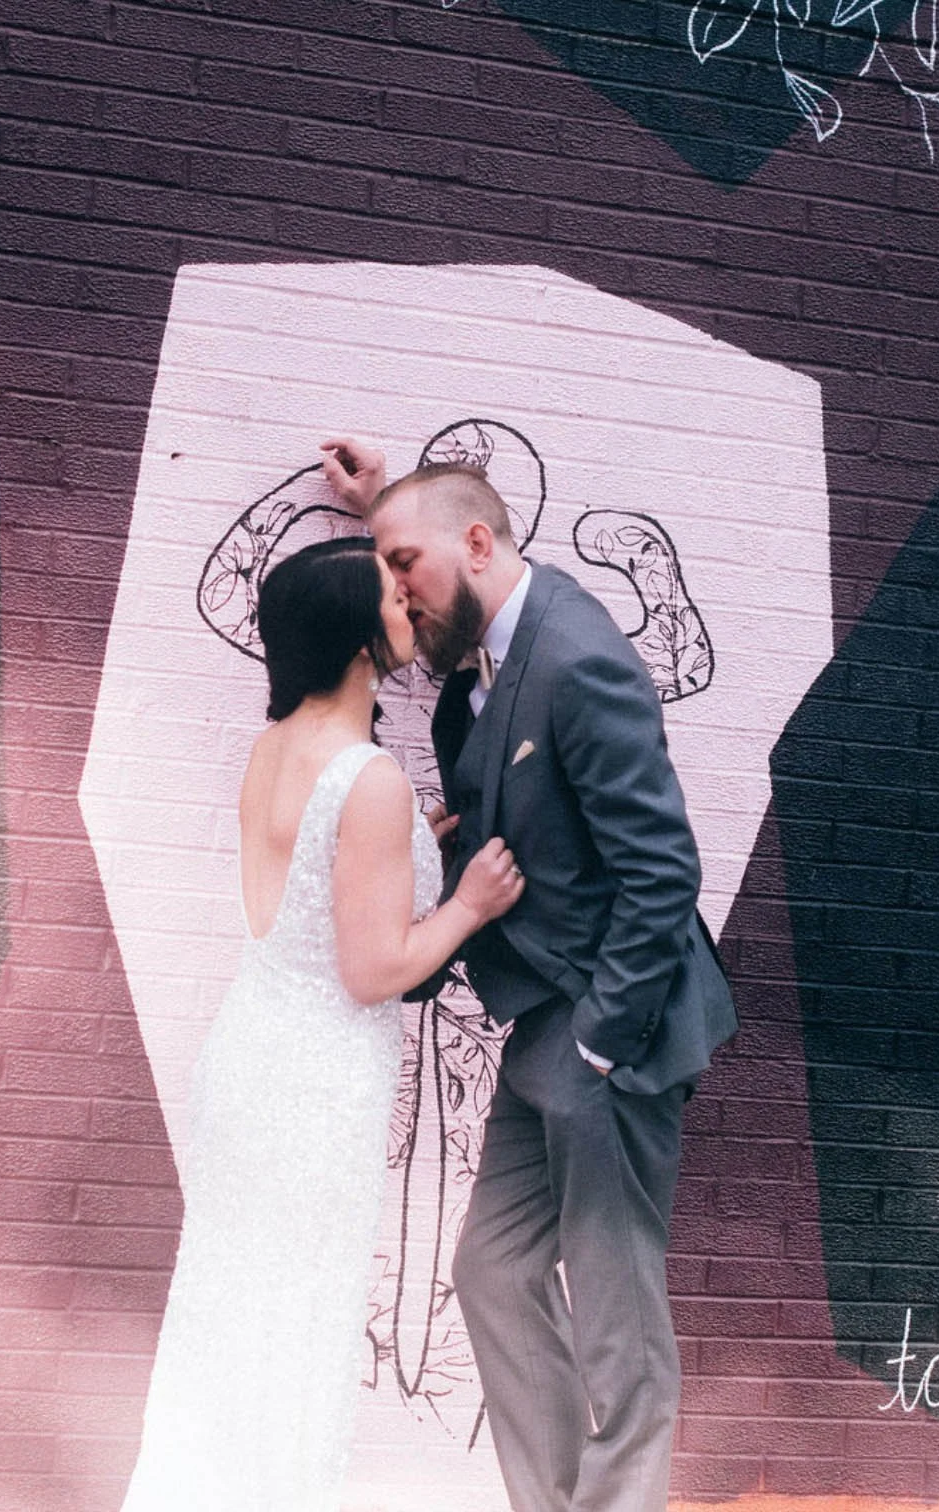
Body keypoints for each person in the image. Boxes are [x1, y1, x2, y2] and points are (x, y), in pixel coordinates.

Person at [321, 438, 738, 1512]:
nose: (397, 592)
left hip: (611, 1031)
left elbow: (663, 870)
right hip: (546, 1026)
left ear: (475, 542)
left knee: (615, 1316)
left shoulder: (577, 655)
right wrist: (380, 510)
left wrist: (603, 1038)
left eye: (403, 563)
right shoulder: (495, 639)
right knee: (495, 1273)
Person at [120, 534, 527, 1512]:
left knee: (227, 1325)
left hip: (252, 1052)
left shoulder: (280, 746)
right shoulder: (369, 779)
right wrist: (466, 902)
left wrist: (407, 862)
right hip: (313, 1090)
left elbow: (319, 888)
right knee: (295, 1332)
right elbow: (374, 969)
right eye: (394, 594)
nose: (412, 604)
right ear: (356, 637)